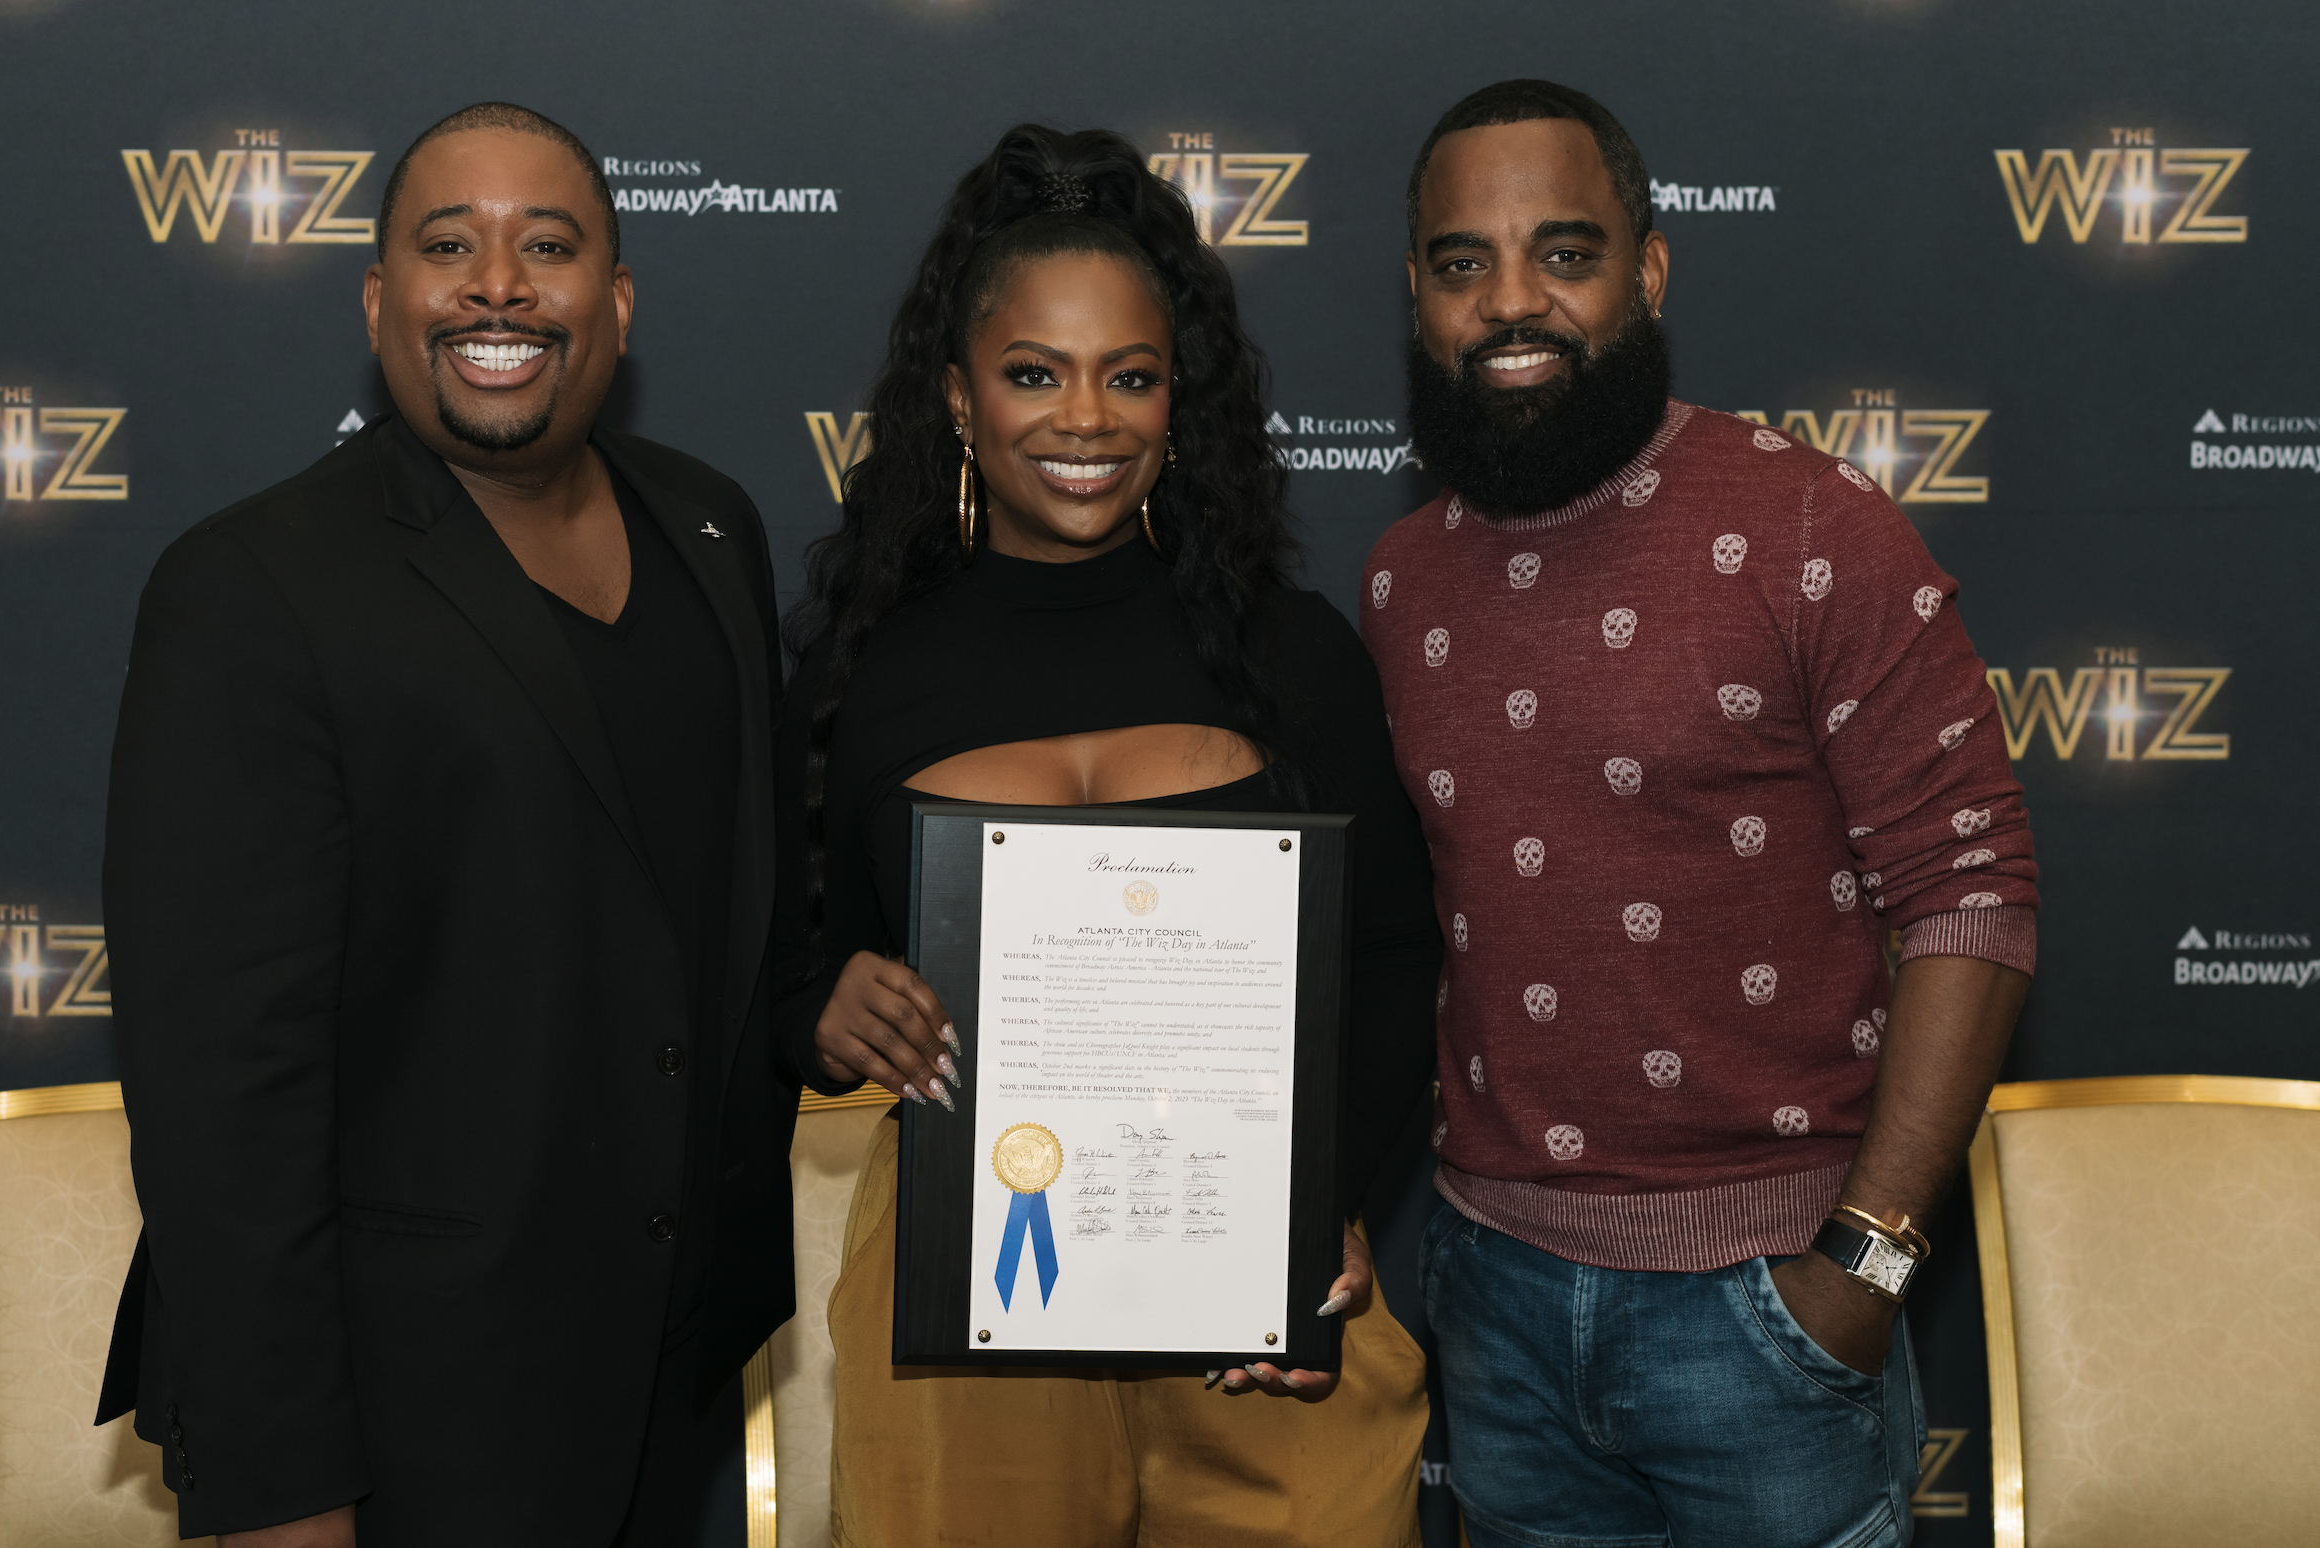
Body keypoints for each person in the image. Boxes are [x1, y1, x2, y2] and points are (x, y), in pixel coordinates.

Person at [95, 103, 789, 1548]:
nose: (497, 285)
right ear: (378, 302)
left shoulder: (713, 530)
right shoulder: (253, 586)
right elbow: (225, 1096)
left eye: (548, 245)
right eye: (446, 246)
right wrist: (284, 1481)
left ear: (617, 301)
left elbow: (707, 914)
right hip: (403, 1410)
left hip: (668, 1380)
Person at [1366, 80, 2037, 1548]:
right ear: (1416, 292)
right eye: (1463, 264)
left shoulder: (1813, 527)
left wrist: (1862, 1265)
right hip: (1492, 1301)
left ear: (1651, 270)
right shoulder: (1401, 581)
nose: (1513, 303)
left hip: (1768, 1306)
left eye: (1566, 251)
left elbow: (1972, 898)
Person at [769, 124, 1440, 1546]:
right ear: (958, 398)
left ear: (1177, 401)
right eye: (1034, 374)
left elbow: (1393, 957)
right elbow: (787, 970)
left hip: (1268, 1289)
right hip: (973, 1296)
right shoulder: (862, 678)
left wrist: (1327, 1201)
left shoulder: (1295, 654)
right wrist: (827, 1016)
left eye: (1130, 377)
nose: (1086, 420)